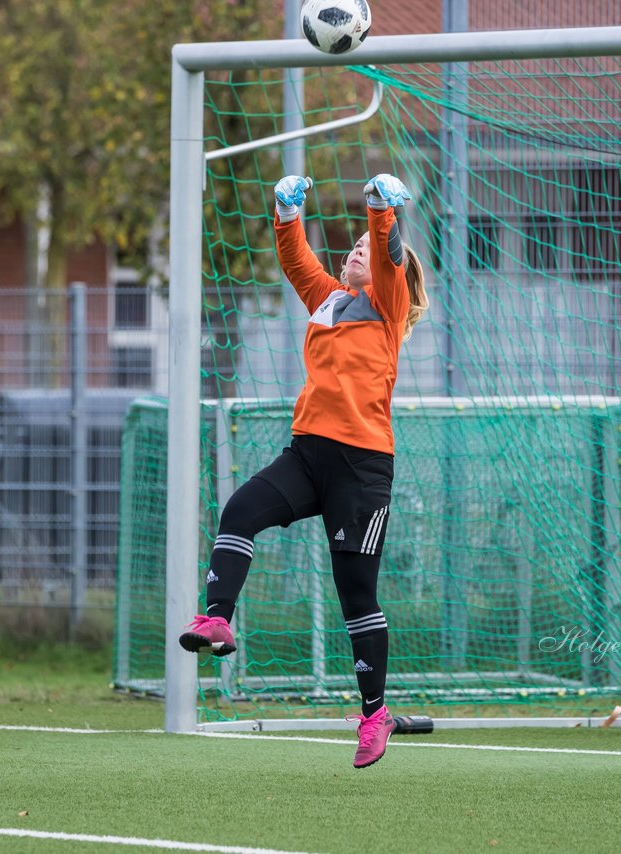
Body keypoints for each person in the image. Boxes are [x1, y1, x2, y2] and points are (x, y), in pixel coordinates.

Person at [179, 173, 427, 769]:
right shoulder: (327, 300)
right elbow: (295, 261)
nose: (355, 252)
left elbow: (389, 254)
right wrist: (287, 214)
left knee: (356, 595)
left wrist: (380, 211)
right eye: (354, 248)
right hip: (308, 453)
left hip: (363, 468)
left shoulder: (388, 306)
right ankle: (217, 620)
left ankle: (373, 717)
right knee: (240, 509)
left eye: (364, 250)